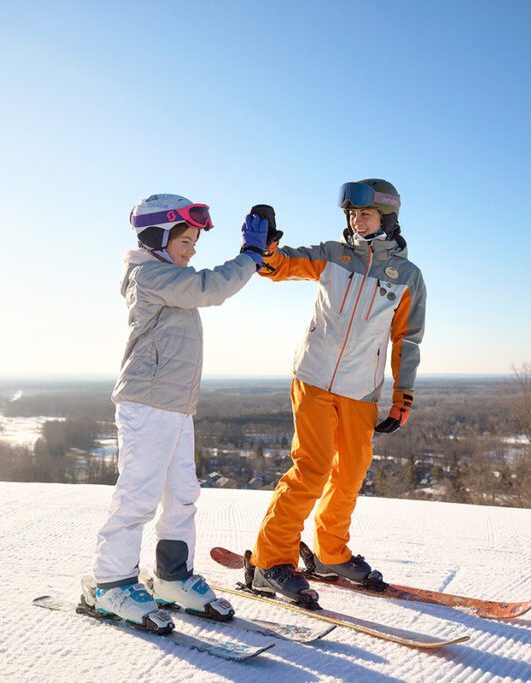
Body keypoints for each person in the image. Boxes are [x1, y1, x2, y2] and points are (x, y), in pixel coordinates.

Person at [81, 193, 269, 632]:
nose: (191, 250)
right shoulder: (150, 276)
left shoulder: (167, 275)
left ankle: (172, 578)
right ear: (156, 236)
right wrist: (250, 256)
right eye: (185, 240)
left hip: (175, 407)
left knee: (183, 494)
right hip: (147, 404)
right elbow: (212, 288)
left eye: (194, 243)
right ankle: (111, 583)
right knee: (139, 496)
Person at [248, 179, 426, 602]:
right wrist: (266, 250)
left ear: (387, 217)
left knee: (349, 474)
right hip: (313, 379)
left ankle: (330, 553)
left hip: (361, 391)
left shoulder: (408, 278)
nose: (356, 220)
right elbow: (280, 266)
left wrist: (404, 397)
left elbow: (408, 340)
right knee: (311, 469)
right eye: (351, 214)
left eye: (364, 214)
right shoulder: (333, 255)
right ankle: (269, 561)